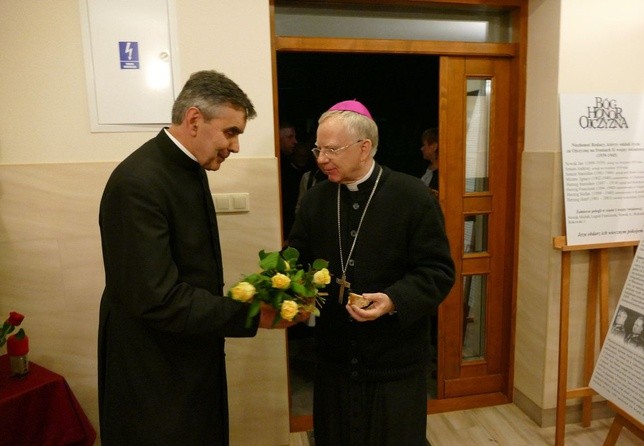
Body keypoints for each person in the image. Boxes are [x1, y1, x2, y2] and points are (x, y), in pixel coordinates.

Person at [98, 70, 292, 445]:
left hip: (186, 353)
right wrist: (252, 314)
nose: (235, 147)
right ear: (194, 120)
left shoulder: (187, 166)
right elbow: (158, 298)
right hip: (154, 368)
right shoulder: (139, 183)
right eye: (231, 132)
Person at [289, 99, 455, 446]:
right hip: (334, 358)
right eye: (319, 148)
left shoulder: (412, 196)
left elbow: (438, 271)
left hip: (393, 360)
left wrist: (394, 299)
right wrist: (280, 286)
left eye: (332, 149)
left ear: (364, 148)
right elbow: (297, 259)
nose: (321, 159)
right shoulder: (317, 199)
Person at [419, 127, 439, 193]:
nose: (422, 149)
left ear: (434, 146)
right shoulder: (425, 168)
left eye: (424, 145)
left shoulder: (443, 175)